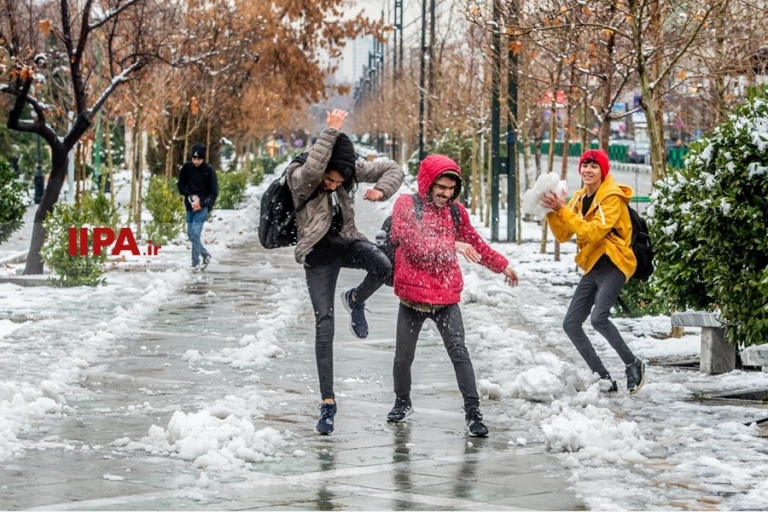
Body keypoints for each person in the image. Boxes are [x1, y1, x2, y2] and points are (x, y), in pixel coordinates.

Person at [288, 109, 404, 435]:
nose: (332, 185)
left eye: (340, 182)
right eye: (331, 179)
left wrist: (382, 190)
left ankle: (355, 299)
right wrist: (329, 132)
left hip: (346, 242)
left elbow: (393, 168)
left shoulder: (347, 171)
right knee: (325, 324)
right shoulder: (300, 174)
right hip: (317, 256)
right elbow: (313, 172)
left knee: (382, 266)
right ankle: (328, 402)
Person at [387, 154, 519, 437]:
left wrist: (502, 266)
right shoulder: (406, 206)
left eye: (451, 189)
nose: (446, 194)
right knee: (403, 357)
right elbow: (414, 246)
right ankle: (402, 401)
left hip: (446, 298)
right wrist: (452, 245)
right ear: (427, 183)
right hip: (412, 298)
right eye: (441, 188)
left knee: (459, 353)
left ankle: (473, 413)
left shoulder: (456, 212)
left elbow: (476, 245)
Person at [541, 149, 646, 394]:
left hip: (615, 263)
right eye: (585, 165)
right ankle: (602, 376)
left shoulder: (612, 198)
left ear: (603, 171)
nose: (588, 170)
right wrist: (552, 211)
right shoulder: (578, 198)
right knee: (571, 323)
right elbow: (564, 234)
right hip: (592, 265)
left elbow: (593, 231)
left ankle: (633, 364)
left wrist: (563, 210)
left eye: (594, 166)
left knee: (599, 318)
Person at [177, 144, 218, 271]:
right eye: (194, 159)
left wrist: (205, 203)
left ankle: (195, 262)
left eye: (198, 159)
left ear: (203, 159)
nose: (195, 161)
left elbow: (214, 191)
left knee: (195, 233)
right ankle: (205, 254)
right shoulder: (186, 168)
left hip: (202, 207)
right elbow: (181, 185)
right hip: (190, 206)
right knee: (190, 235)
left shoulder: (209, 170)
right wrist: (189, 195)